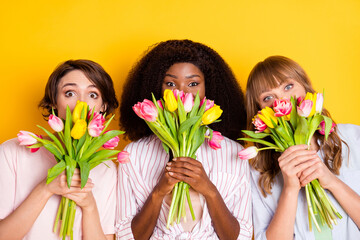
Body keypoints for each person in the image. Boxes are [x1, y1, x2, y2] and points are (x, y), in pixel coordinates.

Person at [116, 39, 252, 239]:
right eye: (170, 83)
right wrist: (159, 191)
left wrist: (209, 190)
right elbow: (126, 236)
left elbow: (242, 236)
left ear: (209, 88)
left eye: (193, 83)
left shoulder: (233, 154)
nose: (181, 93)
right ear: (156, 87)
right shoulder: (133, 155)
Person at [0, 59, 119, 240]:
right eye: (70, 93)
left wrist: (89, 206)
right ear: (54, 102)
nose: (81, 103)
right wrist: (45, 188)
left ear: (103, 107)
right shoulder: (14, 152)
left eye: (93, 94)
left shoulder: (107, 167)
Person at [245, 55, 360, 240]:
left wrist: (331, 181)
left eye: (288, 86)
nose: (282, 100)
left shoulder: (354, 138)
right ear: (259, 112)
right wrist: (290, 188)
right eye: (268, 97)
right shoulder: (258, 171)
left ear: (306, 87)